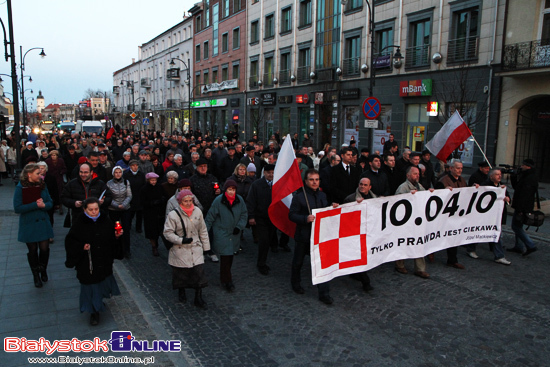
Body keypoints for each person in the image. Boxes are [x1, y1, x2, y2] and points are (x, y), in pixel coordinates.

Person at [64, 198, 123, 326]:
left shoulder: (105, 219)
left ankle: (98, 303)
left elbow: (110, 238)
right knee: (91, 287)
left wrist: (116, 236)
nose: (94, 212)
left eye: (96, 209)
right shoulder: (79, 222)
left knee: (101, 283)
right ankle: (93, 312)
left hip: (103, 259)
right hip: (87, 262)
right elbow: (70, 241)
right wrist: (81, 247)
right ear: (85, 209)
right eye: (90, 210)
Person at [289, 169, 334, 304]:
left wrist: (332, 207)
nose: (314, 182)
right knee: (298, 262)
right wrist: (305, 218)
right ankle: (295, 283)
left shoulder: (322, 195)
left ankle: (324, 293)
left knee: (321, 264)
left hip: (319, 236)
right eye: (311, 180)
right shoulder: (299, 197)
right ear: (306, 181)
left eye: (317, 179)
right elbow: (291, 215)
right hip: (304, 235)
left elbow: (325, 210)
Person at [164, 189, 210, 308]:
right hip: (180, 249)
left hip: (195, 248)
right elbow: (167, 233)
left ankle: (198, 297)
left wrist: (206, 247)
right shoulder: (173, 215)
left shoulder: (197, 211)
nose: (189, 203)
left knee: (199, 272)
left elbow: (203, 230)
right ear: (180, 202)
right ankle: (182, 291)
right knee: (181, 273)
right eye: (186, 201)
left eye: (190, 201)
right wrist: (180, 240)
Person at [13, 163, 55, 288]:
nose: (40, 175)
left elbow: (50, 202)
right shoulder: (20, 188)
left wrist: (44, 206)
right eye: (38, 173)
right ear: (29, 174)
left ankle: (43, 268)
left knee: (44, 249)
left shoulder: (42, 185)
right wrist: (35, 205)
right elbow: (17, 208)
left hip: (42, 222)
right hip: (29, 223)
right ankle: (35, 274)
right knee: (32, 250)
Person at [205, 179, 248, 292]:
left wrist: (239, 226)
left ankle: (225, 277)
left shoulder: (240, 200)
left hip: (234, 233)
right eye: (229, 189)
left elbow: (244, 214)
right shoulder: (218, 201)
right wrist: (204, 232)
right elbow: (210, 217)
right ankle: (227, 281)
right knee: (225, 257)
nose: (231, 192)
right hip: (222, 232)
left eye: (233, 189)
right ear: (225, 190)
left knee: (230, 257)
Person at [394, 166, 433, 278]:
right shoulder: (403, 188)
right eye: (415, 174)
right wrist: (408, 197)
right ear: (408, 175)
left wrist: (430, 193)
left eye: (418, 174)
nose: (417, 176)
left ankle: (420, 269)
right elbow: (397, 204)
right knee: (403, 243)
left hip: (417, 220)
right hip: (405, 221)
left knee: (419, 243)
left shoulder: (419, 186)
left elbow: (424, 197)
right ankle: (399, 264)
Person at [343, 177, 374, 292]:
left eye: (365, 185)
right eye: (361, 184)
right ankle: (366, 282)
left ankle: (354, 273)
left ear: (369, 187)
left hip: (368, 231)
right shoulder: (350, 199)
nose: (362, 186)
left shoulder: (374, 198)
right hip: (355, 232)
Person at [246, 164, 277, 275]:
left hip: (273, 218)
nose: (271, 175)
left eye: (273, 172)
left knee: (270, 239)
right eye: (269, 172)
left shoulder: (278, 184)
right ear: (264, 173)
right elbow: (251, 201)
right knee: (264, 241)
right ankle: (261, 263)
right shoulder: (256, 185)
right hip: (261, 217)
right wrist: (251, 216)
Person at [435, 160, 467, 269]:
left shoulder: (462, 180)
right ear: (451, 168)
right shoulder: (444, 180)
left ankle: (452, 260)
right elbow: (436, 196)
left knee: (454, 236)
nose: (460, 170)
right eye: (458, 168)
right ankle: (430, 252)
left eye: (461, 168)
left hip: (457, 213)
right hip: (445, 214)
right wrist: (444, 190)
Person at [478, 169, 512, 265]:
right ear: (491, 176)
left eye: (500, 174)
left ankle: (499, 256)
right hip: (486, 215)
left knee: (497, 234)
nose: (499, 176)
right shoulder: (485, 185)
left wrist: (507, 198)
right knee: (479, 231)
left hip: (497, 216)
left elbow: (508, 197)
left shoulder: (502, 187)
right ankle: (470, 248)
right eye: (497, 174)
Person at [508, 159, 539, 256]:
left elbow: (524, 195)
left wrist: (521, 209)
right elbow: (517, 188)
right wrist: (513, 176)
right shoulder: (527, 175)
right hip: (522, 206)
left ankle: (530, 245)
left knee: (515, 227)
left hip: (522, 207)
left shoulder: (529, 178)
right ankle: (519, 246)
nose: (521, 166)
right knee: (518, 226)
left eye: (523, 165)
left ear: (528, 167)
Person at [106, 166, 132, 259]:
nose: (118, 174)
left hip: (125, 208)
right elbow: (108, 197)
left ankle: (126, 250)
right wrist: (117, 205)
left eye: (119, 172)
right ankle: (116, 248)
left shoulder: (126, 182)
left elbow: (129, 195)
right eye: (116, 172)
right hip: (113, 209)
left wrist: (123, 205)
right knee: (115, 229)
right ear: (113, 173)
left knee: (126, 229)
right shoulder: (109, 183)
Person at [140, 172, 166, 256]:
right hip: (149, 213)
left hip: (159, 212)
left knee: (159, 230)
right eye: (152, 180)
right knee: (151, 232)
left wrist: (161, 200)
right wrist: (152, 203)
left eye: (155, 180)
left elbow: (164, 196)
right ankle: (154, 246)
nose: (153, 182)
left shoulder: (160, 187)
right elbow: (142, 201)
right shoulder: (144, 189)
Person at [123, 160, 146, 237]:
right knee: (130, 214)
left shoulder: (141, 174)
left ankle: (138, 228)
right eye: (133, 165)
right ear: (130, 166)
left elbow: (144, 185)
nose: (135, 167)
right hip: (130, 197)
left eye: (136, 165)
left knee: (139, 214)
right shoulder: (126, 175)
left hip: (139, 196)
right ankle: (128, 226)